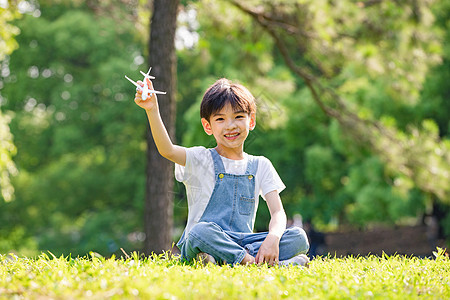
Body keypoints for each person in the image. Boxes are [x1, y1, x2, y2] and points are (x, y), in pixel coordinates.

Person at [134, 77, 309, 266]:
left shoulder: (261, 165)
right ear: (208, 126)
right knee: (200, 231)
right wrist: (152, 109)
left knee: (299, 237)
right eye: (220, 119)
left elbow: (278, 213)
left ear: (251, 121)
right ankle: (264, 264)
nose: (231, 125)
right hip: (205, 241)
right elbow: (167, 150)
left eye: (239, 117)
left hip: (244, 245)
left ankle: (239, 261)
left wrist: (272, 240)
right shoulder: (201, 158)